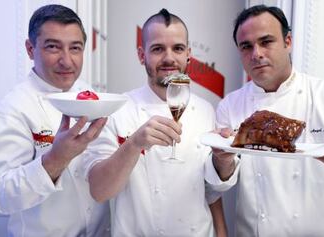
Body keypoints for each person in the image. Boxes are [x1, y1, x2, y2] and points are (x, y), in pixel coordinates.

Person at [210, 4, 324, 237]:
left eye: (266, 41)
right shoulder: (230, 105)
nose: (256, 53)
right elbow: (219, 183)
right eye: (246, 46)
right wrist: (222, 161)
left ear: (288, 42)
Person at [83, 8, 228, 237]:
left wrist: (222, 233)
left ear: (189, 54)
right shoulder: (117, 110)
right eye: (158, 49)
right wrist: (133, 144)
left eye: (178, 48)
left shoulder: (205, 110)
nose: (169, 58)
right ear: (142, 55)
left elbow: (210, 193)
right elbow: (99, 191)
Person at [0, 4, 110, 237]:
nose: (67, 61)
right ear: (30, 49)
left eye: (75, 48)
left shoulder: (90, 95)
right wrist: (55, 159)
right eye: (53, 47)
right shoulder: (12, 110)